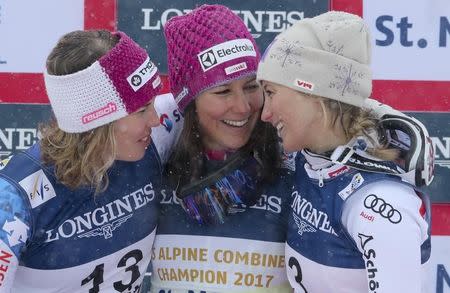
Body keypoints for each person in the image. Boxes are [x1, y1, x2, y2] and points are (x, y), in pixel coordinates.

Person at [257, 11, 432, 292]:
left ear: (311, 92)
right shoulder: (310, 158)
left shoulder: (379, 203)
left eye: (271, 92)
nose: (265, 113)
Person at [0, 29, 180, 292]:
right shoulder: (14, 198)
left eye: (153, 104)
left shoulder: (151, 137)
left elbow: (223, 97)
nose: (155, 120)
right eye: (142, 110)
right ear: (97, 123)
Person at [149, 4, 293, 293]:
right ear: (189, 102)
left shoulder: (293, 158)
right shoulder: (150, 157)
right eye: (223, 91)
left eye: (252, 86)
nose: (242, 107)